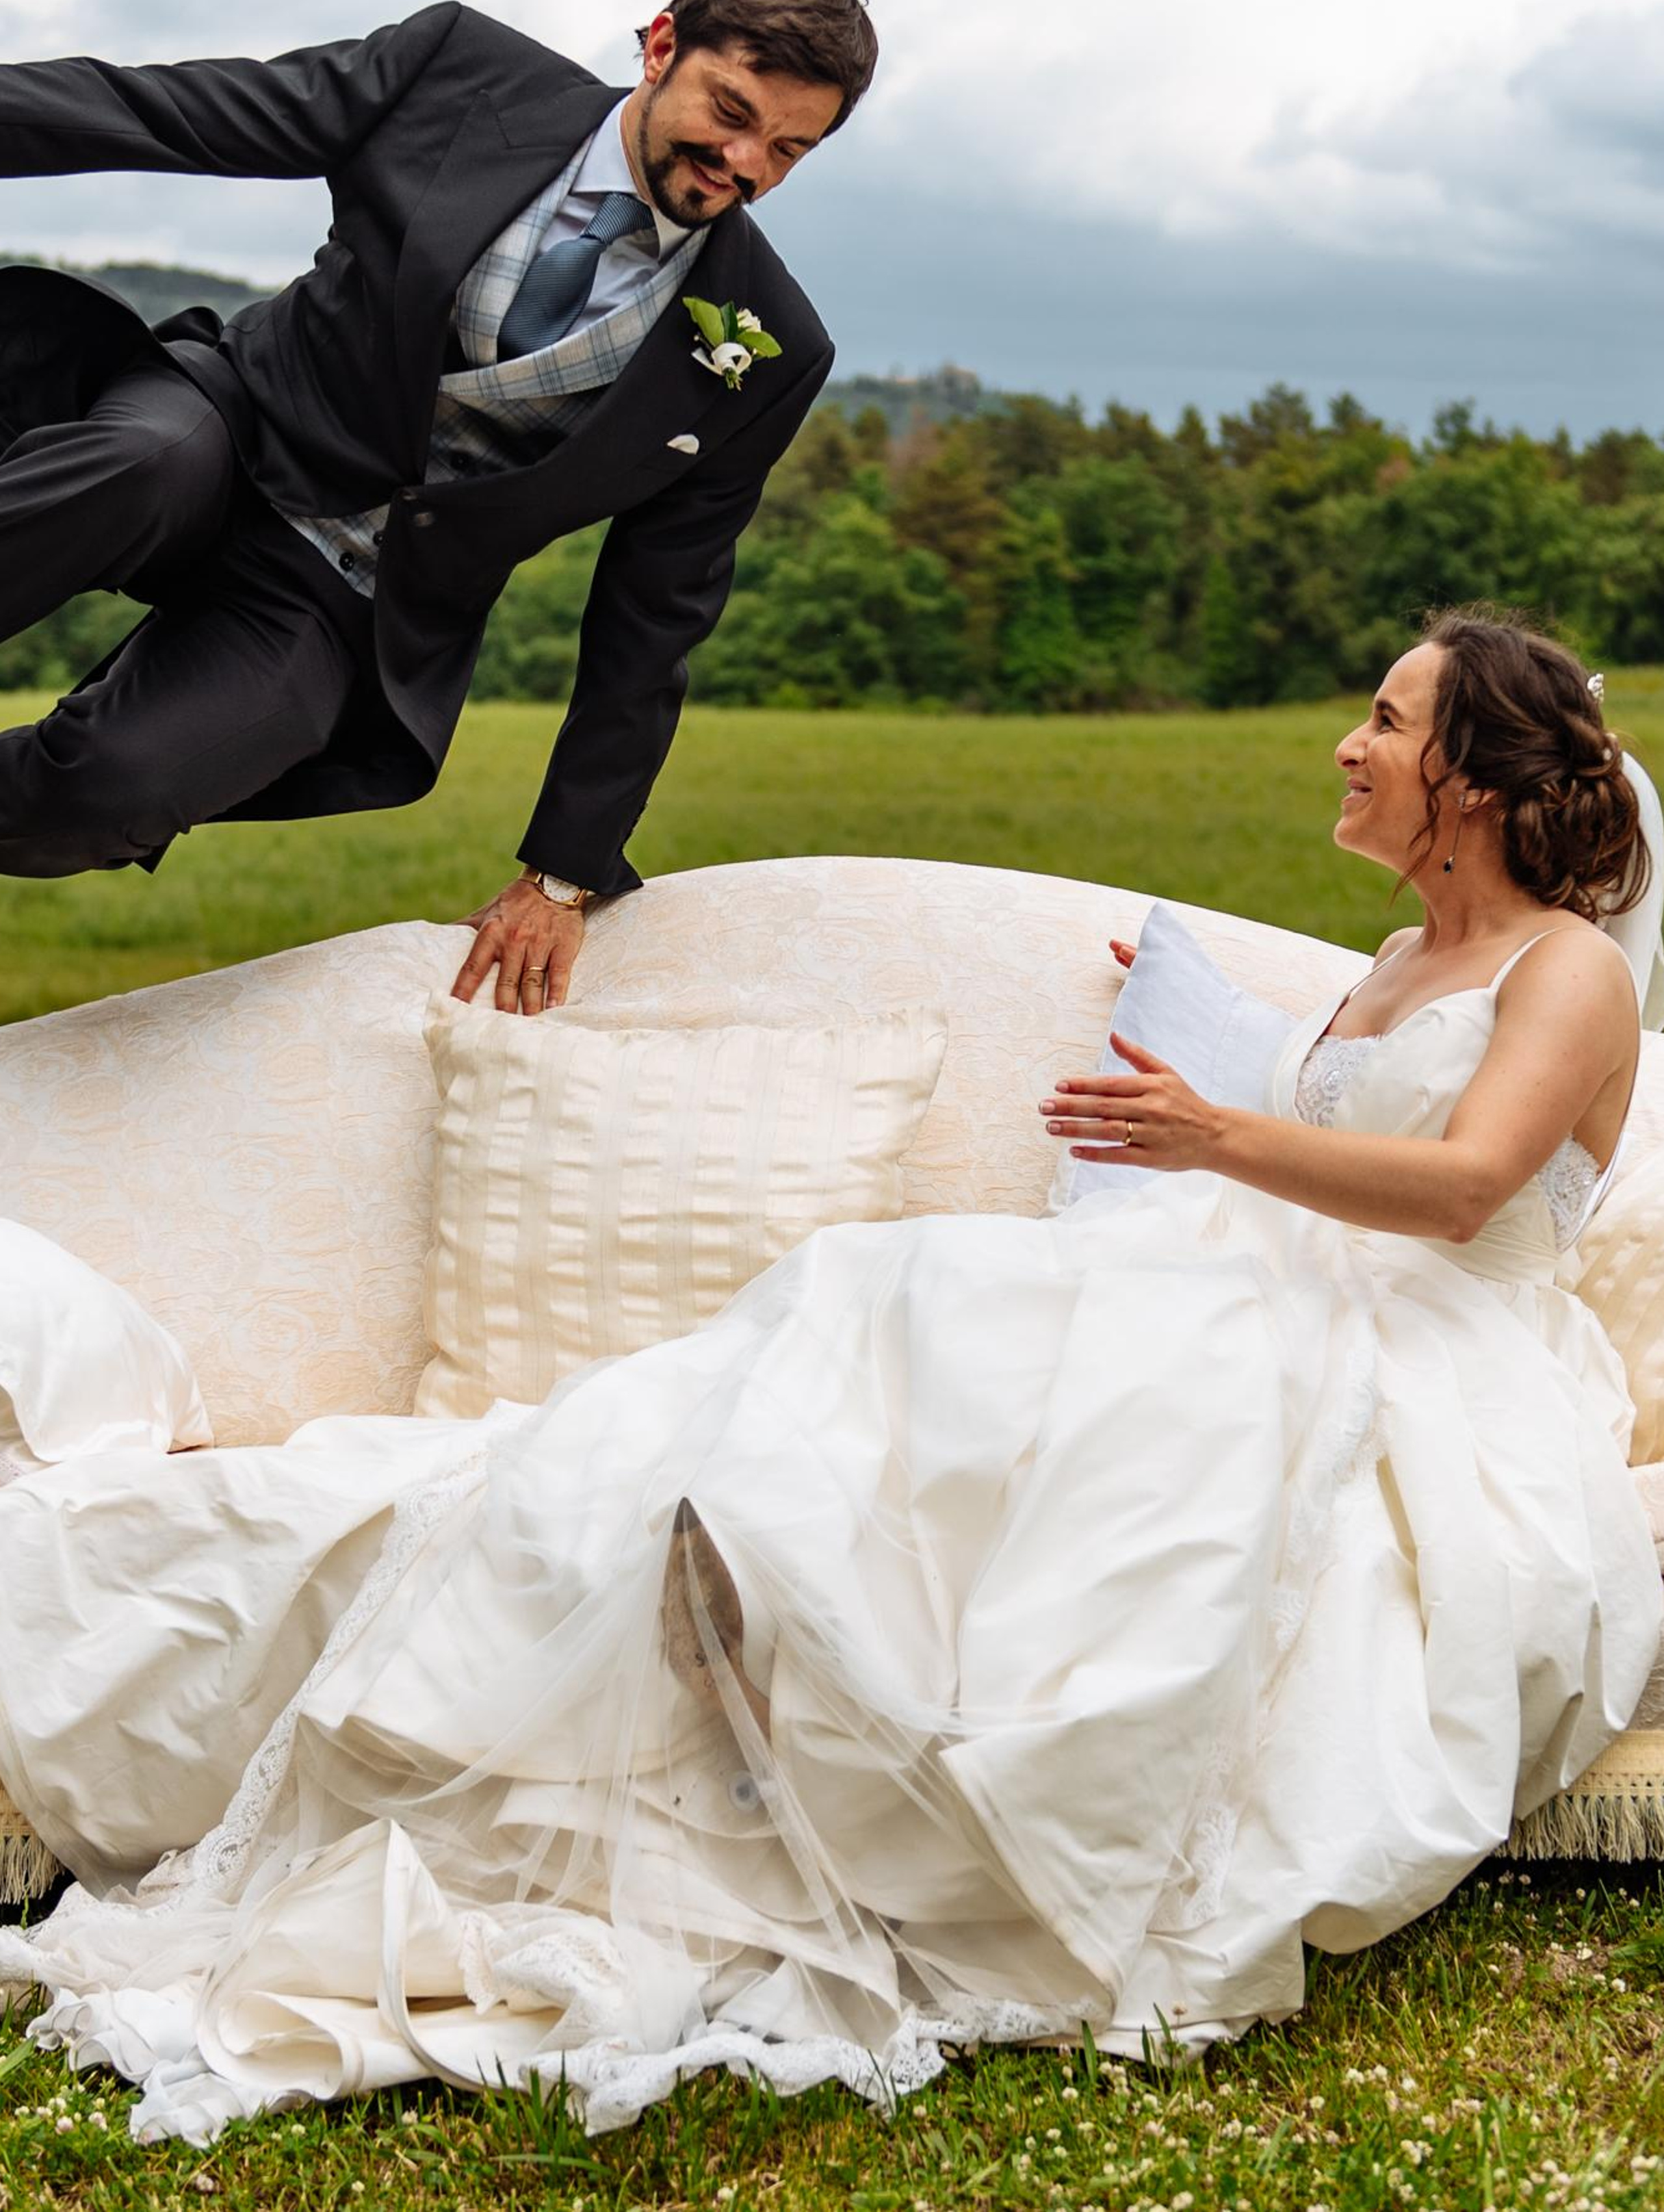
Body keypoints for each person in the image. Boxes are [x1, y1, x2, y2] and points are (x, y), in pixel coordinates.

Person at [0, 610, 1657, 2142]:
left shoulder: (1564, 968)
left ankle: (914, 1765)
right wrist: (1197, 1114)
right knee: (873, 1326)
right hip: (1253, 1294)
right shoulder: (1381, 964)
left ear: (1477, 775)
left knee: (1096, 1441)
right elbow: (1320, 1154)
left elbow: (1462, 1190)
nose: (1345, 746)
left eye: (1383, 719)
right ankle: (673, 1614)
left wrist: (1212, 1137)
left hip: (1429, 1367)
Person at [0, 0, 875, 1010]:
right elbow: (171, 112)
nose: (744, 164)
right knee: (135, 465)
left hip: (348, 600)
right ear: (660, 47)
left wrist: (562, 873)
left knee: (107, 794)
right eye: (731, 113)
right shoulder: (460, 72)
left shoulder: (768, 344)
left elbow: (658, 612)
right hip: (233, 427)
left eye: (789, 150)